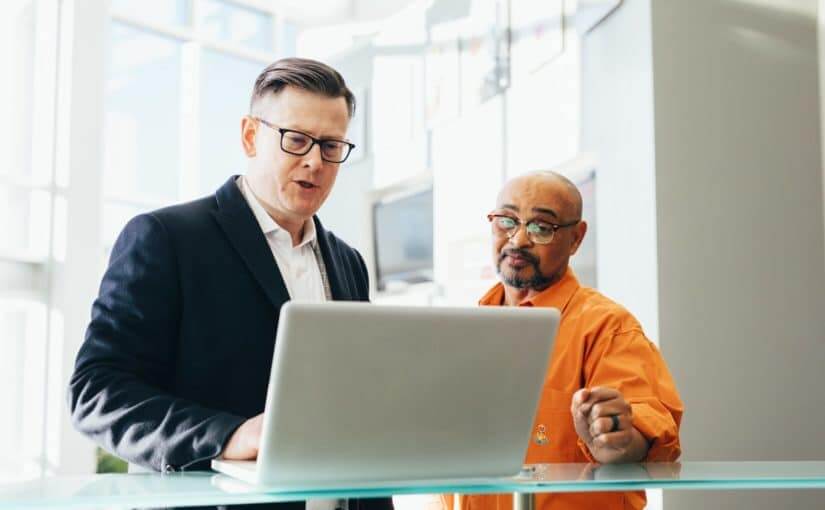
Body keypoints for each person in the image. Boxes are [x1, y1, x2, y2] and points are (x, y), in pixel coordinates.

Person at [68, 57, 391, 510]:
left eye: (331, 145)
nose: (315, 162)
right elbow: (96, 392)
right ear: (250, 136)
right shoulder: (166, 239)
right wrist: (230, 436)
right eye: (296, 140)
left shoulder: (348, 262)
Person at [444, 171, 683, 510]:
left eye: (542, 227)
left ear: (576, 238)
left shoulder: (607, 327)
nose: (519, 240)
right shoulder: (466, 328)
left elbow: (650, 430)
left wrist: (618, 439)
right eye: (507, 221)